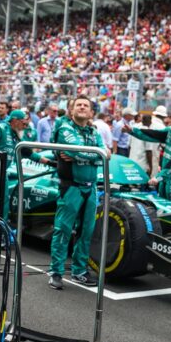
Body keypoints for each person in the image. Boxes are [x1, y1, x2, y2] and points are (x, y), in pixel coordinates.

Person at [48, 95, 107, 290]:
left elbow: (105, 154)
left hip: (90, 187)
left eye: (86, 105)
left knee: (86, 231)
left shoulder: (94, 130)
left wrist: (87, 155)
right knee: (63, 229)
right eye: (78, 105)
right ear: (72, 110)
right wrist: (94, 155)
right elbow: (84, 152)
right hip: (70, 186)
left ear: (91, 112)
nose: (82, 107)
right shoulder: (65, 128)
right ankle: (55, 272)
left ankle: (79, 271)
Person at [129, 101, 171, 206]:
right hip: (165, 179)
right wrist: (132, 131)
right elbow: (153, 135)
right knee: (162, 210)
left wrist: (159, 177)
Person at [0, 110, 31, 217]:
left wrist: (49, 162)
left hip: (3, 172)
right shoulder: (0, 129)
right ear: (15, 121)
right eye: (24, 123)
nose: (25, 127)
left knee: (4, 200)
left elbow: (30, 154)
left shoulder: (16, 136)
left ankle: (2, 227)